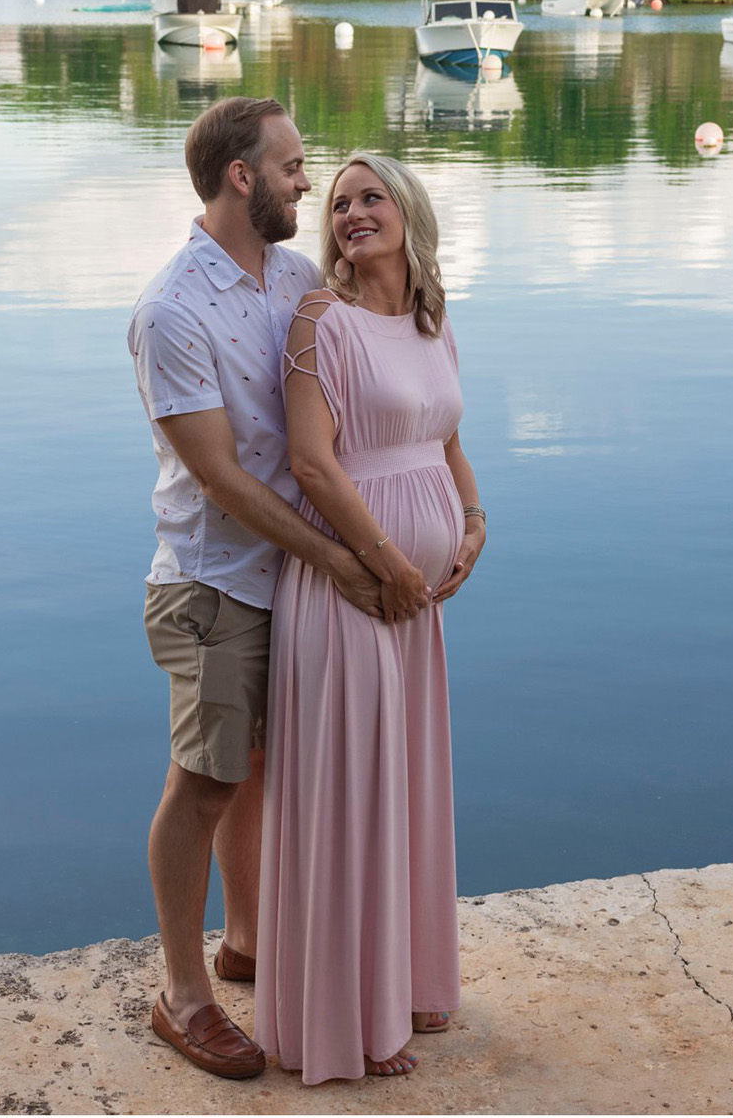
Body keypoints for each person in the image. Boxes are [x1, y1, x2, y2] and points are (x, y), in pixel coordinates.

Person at [126, 98, 384, 1081]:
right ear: (240, 175)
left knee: (257, 764)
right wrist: (343, 561)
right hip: (213, 583)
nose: (304, 183)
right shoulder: (170, 309)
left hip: (290, 577)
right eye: (289, 166)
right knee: (202, 778)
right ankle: (183, 994)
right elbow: (222, 479)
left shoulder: (294, 274)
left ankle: (245, 939)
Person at [256, 152, 486, 1084]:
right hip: (351, 588)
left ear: (408, 211)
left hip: (415, 602)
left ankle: (411, 984)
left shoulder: (431, 320)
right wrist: (388, 562)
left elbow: (447, 439)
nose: (351, 212)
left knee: (406, 790)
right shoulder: (322, 320)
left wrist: (471, 522)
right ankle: (348, 1019)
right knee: (352, 797)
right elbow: (313, 464)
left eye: (370, 197)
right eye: (340, 201)